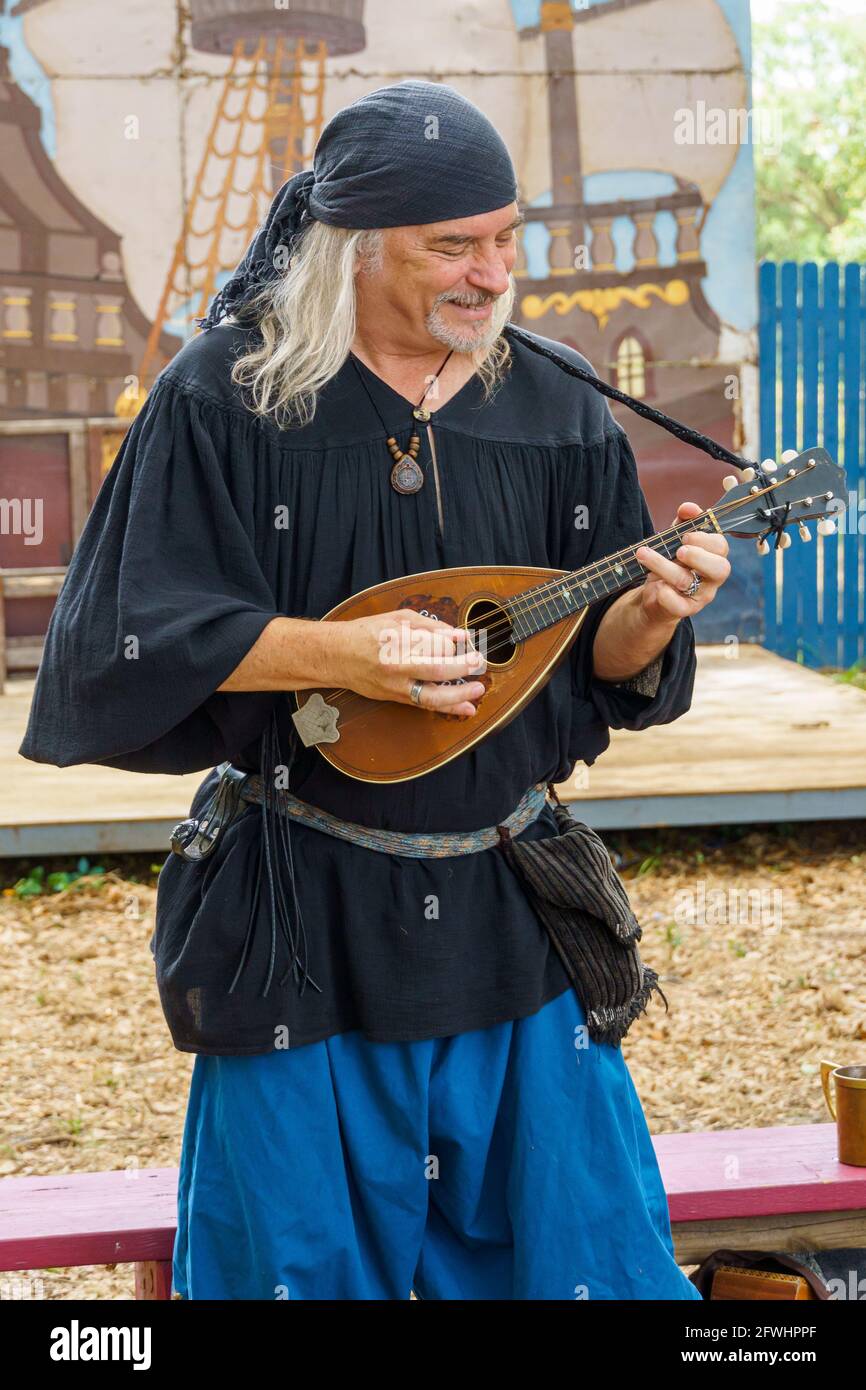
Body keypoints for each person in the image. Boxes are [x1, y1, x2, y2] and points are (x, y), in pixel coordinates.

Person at [20, 80, 731, 1300]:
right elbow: (130, 639)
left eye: (505, 238)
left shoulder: (559, 404)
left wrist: (648, 614)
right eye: (450, 246)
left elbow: (592, 669)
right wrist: (343, 656)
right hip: (303, 912)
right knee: (292, 1270)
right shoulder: (225, 398)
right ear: (350, 248)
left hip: (513, 912)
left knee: (582, 1264)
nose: (490, 273)